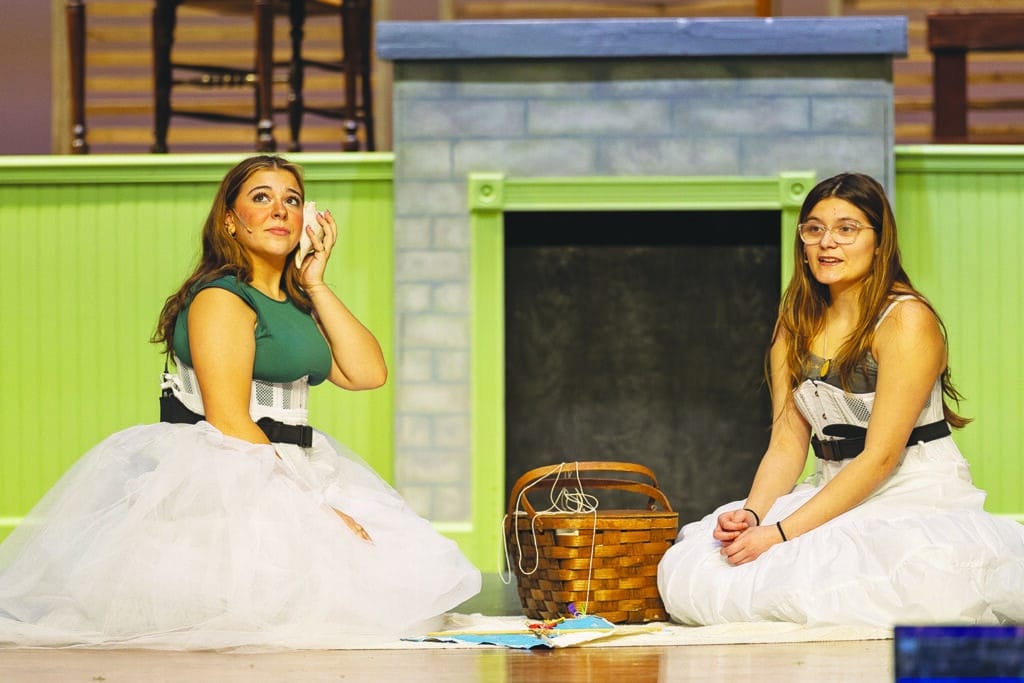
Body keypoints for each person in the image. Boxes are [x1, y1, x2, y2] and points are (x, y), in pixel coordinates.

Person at [0, 155, 481, 649]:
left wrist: (315, 282)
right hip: (230, 467)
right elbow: (229, 420)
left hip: (292, 460)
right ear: (230, 219)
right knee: (280, 612)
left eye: (292, 200)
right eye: (261, 197)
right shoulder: (222, 297)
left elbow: (367, 373)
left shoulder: (296, 303)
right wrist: (315, 509)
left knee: (392, 588)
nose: (279, 210)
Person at [657, 172, 1024, 627]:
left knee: (875, 585)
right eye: (814, 229)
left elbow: (882, 457)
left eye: (846, 229)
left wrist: (781, 533)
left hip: (911, 489)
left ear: (879, 241)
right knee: (702, 570)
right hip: (832, 485)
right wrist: (753, 514)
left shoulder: (906, 320)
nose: (827, 242)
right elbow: (786, 445)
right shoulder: (794, 325)